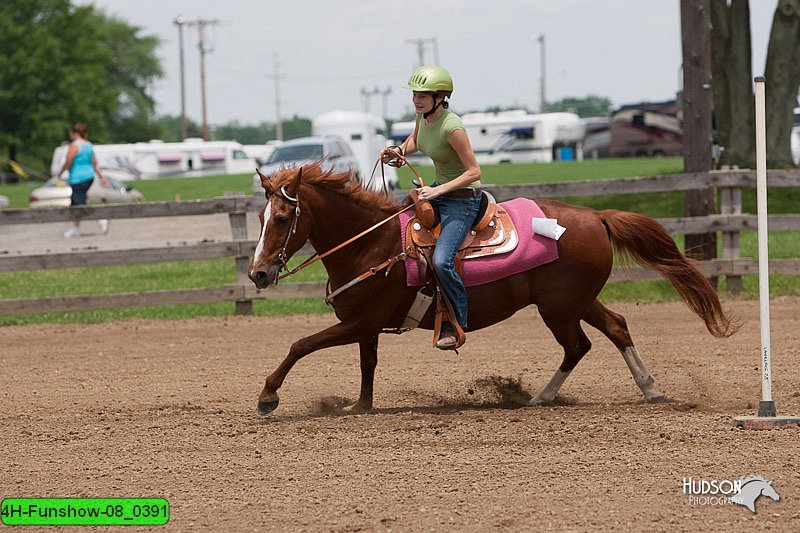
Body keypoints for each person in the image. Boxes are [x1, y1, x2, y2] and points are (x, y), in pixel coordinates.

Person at [382, 65, 482, 349]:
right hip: (438, 193)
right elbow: (416, 139)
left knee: (441, 260)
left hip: (463, 200)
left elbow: (474, 172)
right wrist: (399, 150)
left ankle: (458, 320)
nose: (416, 99)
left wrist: (437, 190)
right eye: (414, 94)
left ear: (440, 97)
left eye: (423, 95)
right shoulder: (422, 118)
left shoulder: (452, 127)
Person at [57, 122, 110, 238]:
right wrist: (101, 177)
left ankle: (100, 219)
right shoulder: (88, 145)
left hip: (78, 178)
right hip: (89, 177)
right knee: (76, 203)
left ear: (73, 133)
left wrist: (60, 172)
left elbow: (68, 161)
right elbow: (95, 163)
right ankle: (76, 228)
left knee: (80, 204)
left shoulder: (75, 145)